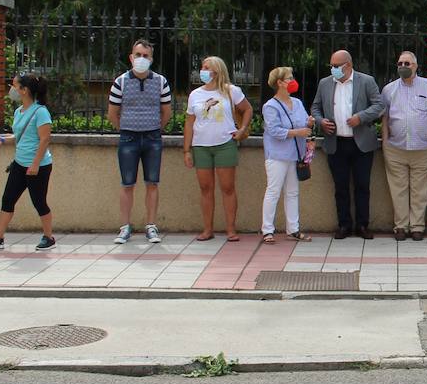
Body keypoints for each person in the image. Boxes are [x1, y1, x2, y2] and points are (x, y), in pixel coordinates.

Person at [312, 49, 385, 240]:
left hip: (361, 143)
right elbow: (315, 107)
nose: (333, 70)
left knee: (362, 185)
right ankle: (344, 225)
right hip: (336, 143)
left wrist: (361, 117)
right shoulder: (325, 83)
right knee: (340, 186)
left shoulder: (366, 81)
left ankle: (362, 225)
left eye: (336, 66)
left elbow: (379, 105)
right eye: (331, 66)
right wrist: (321, 122)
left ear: (349, 65)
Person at [0, 73, 56, 249]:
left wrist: (35, 164)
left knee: (39, 202)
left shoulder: (41, 112)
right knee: (8, 199)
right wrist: (2, 140)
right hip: (20, 163)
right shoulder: (18, 111)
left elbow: (44, 139)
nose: (11, 90)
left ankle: (49, 237)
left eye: (14, 86)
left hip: (38, 166)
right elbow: (20, 136)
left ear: (24, 90)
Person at [108, 39, 172, 244]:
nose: (141, 59)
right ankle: (125, 227)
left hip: (152, 137)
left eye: (145, 56)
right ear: (131, 57)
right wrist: (125, 128)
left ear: (151, 59)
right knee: (127, 184)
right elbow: (112, 113)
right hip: (128, 137)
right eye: (138, 55)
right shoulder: (121, 82)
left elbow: (167, 112)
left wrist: (156, 128)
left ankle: (151, 226)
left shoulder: (161, 81)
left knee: (152, 183)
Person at [183, 56, 251, 242]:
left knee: (227, 187)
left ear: (217, 71)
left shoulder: (231, 91)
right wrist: (187, 150)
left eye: (207, 68)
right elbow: (189, 122)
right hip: (201, 146)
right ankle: (207, 230)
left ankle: (231, 229)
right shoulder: (195, 95)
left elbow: (247, 109)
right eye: (202, 67)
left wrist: (242, 129)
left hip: (225, 144)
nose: (203, 71)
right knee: (205, 188)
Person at [381, 51, 427, 241]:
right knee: (397, 189)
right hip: (395, 148)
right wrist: (385, 142)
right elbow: (385, 117)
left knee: (420, 190)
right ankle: (400, 226)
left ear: (415, 66)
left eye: (407, 63)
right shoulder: (389, 89)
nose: (403, 66)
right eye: (400, 63)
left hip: (424, 148)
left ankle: (417, 227)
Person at [260, 66, 314, 244]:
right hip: (277, 155)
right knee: (273, 191)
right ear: (280, 83)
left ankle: (293, 229)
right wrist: (298, 132)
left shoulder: (297, 103)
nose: (293, 81)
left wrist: (310, 123)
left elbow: (304, 121)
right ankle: (267, 230)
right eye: (289, 78)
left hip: (296, 154)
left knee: (292, 192)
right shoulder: (270, 106)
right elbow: (275, 131)